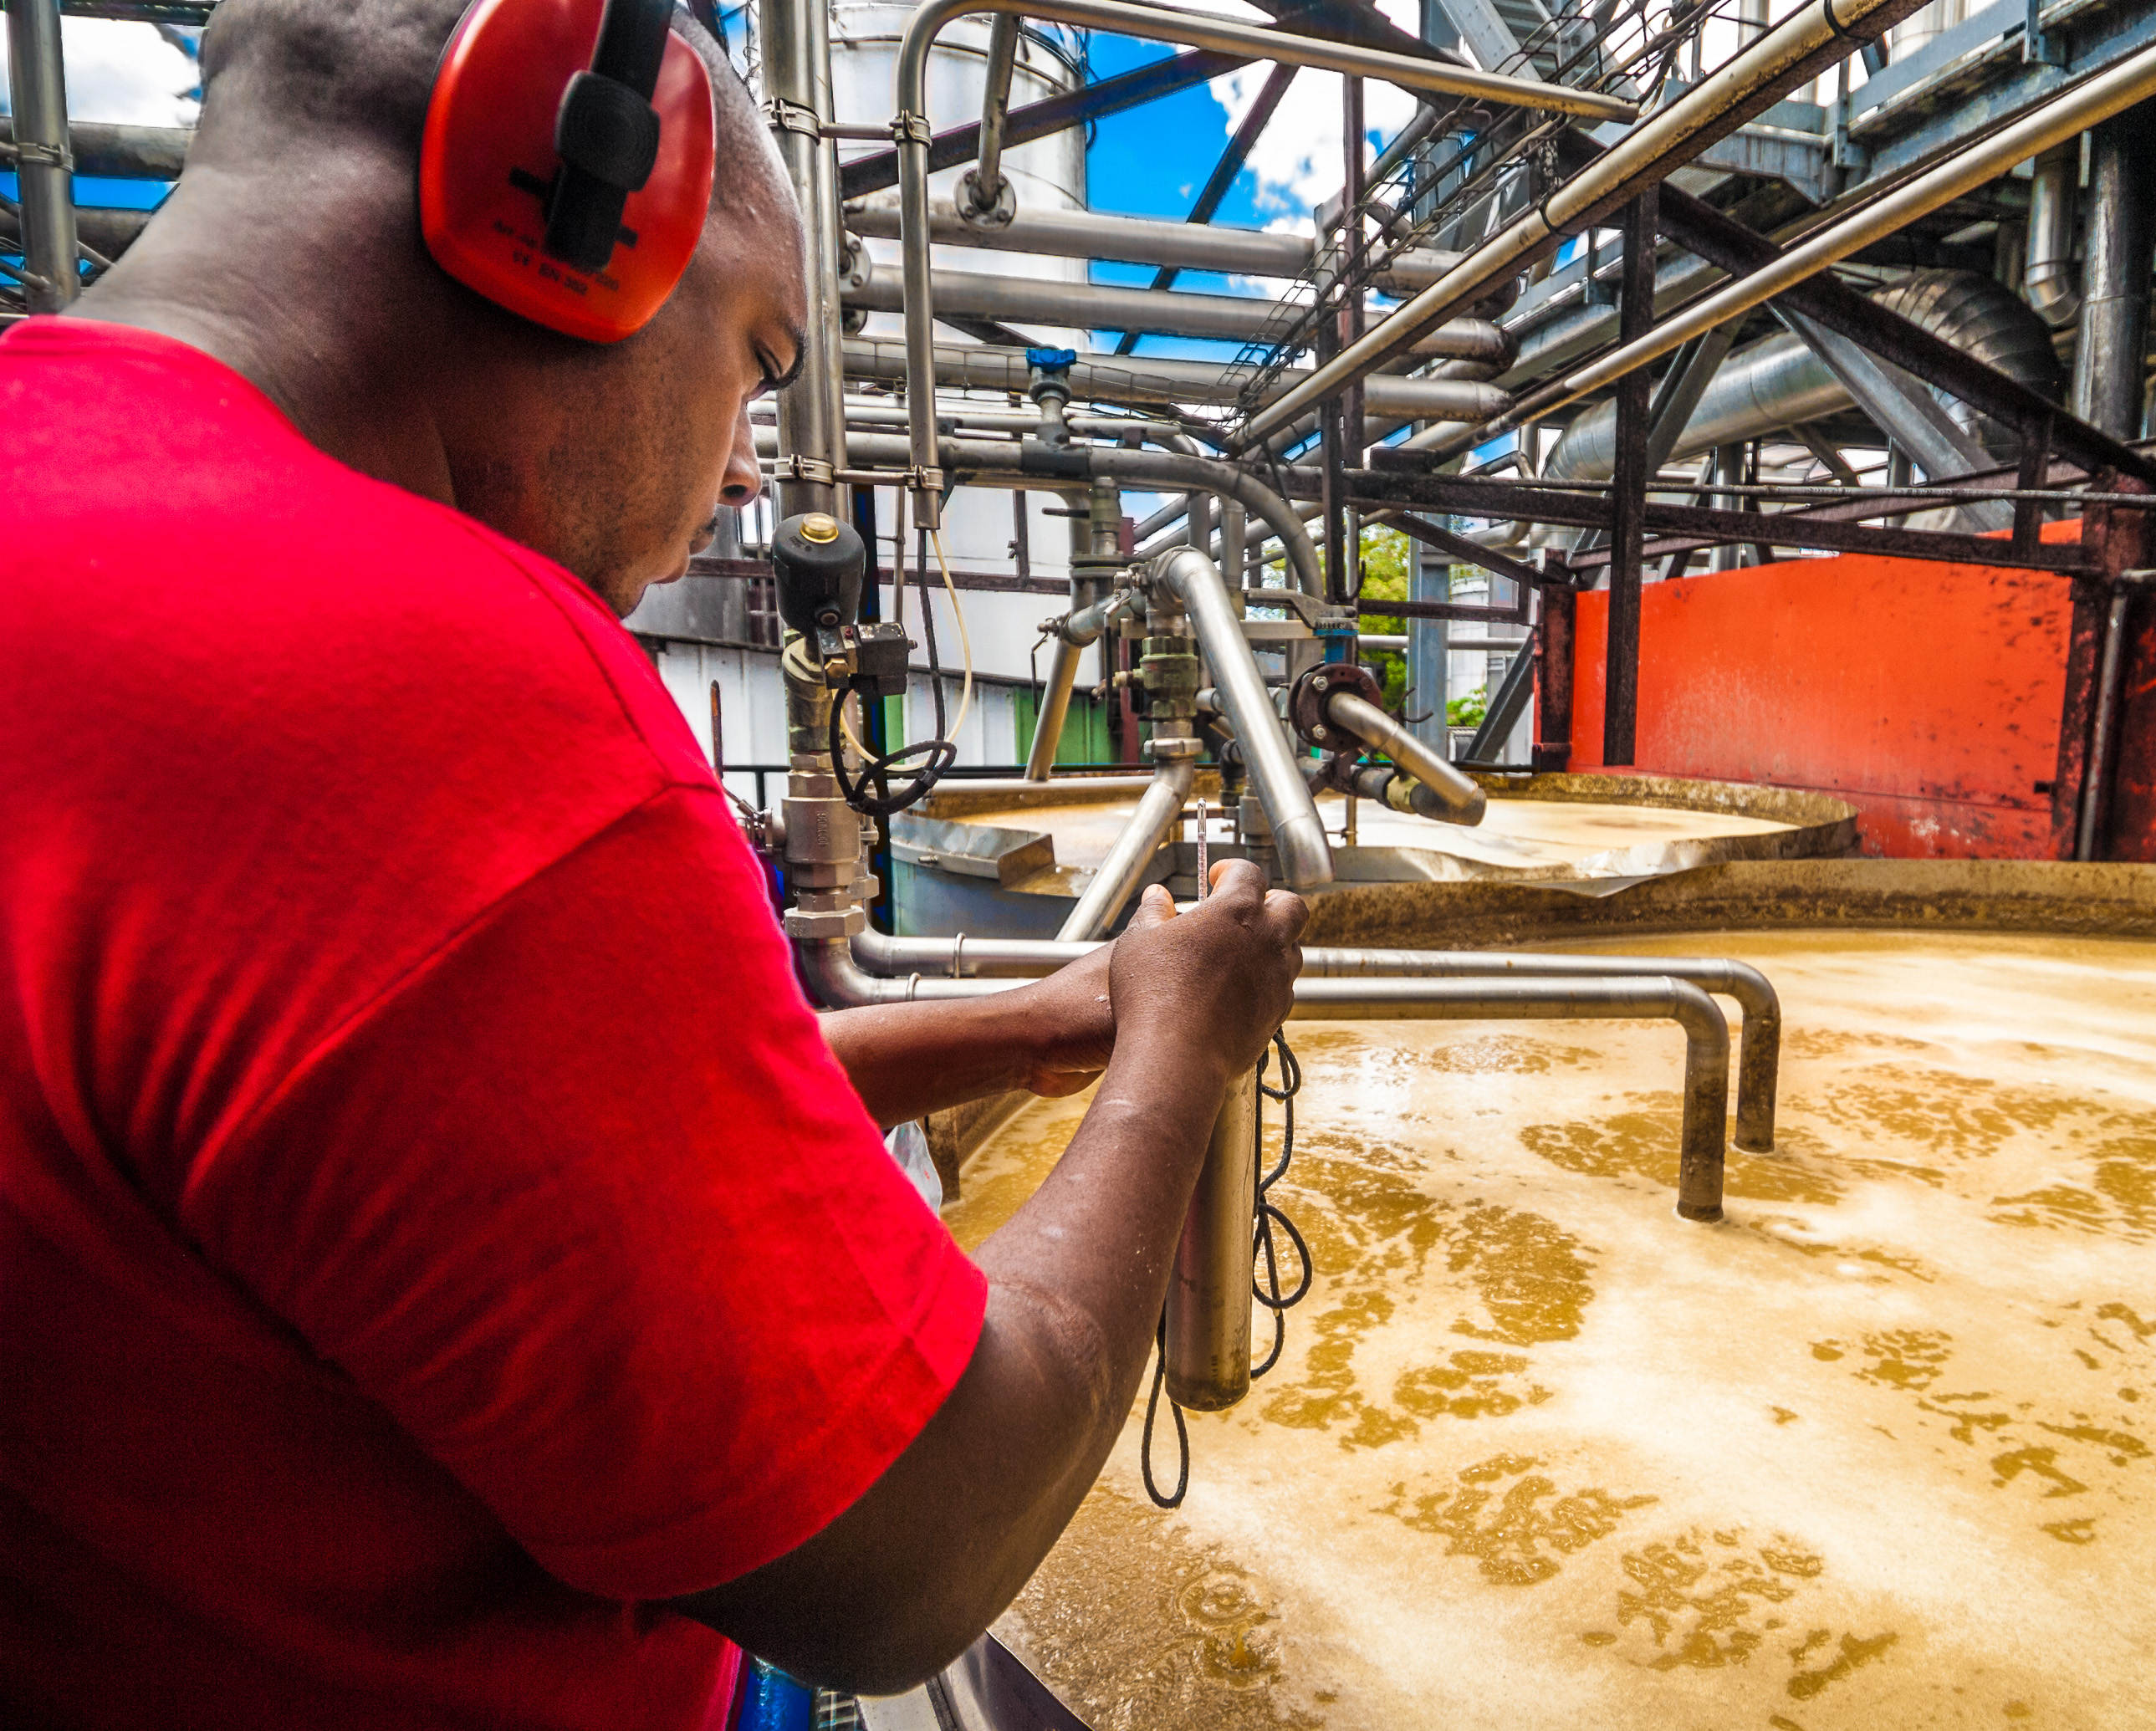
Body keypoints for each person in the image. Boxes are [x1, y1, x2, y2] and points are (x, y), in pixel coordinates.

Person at [0, 0, 1305, 1723]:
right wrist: (1177, 1056)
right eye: (759, 358)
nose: (754, 465)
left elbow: (451, 1142)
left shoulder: (70, 517)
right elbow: (908, 1551)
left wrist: (1037, 1024)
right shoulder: (429, 681)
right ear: (568, 215)